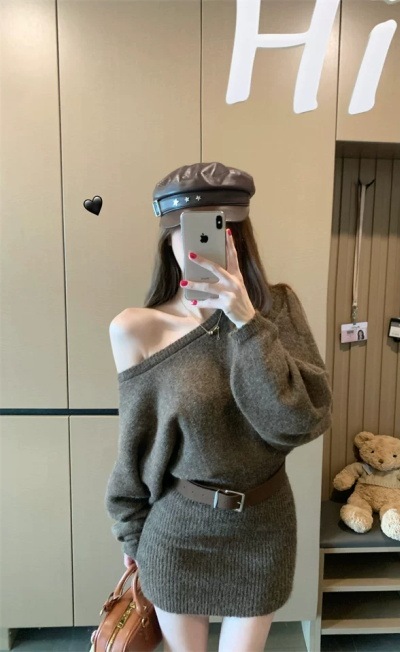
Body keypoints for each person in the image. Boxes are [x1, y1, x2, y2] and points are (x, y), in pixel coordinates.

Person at [105, 162, 333, 652]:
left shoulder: (277, 311)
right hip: (178, 532)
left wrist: (247, 322)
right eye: (188, 231)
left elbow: (298, 422)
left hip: (264, 529)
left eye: (219, 229)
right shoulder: (136, 329)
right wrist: (131, 533)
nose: (202, 245)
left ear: (239, 238)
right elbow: (135, 447)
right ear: (168, 239)